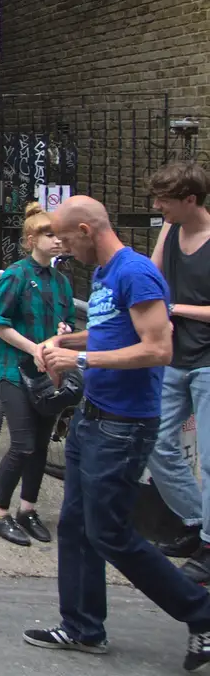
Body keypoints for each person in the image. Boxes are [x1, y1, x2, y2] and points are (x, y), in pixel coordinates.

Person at [23, 195, 210, 673]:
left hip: (125, 425)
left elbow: (158, 348)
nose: (62, 249)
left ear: (87, 230)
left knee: (110, 533)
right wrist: (65, 341)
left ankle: (201, 613)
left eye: (66, 239)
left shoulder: (136, 273)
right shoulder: (108, 274)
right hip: (95, 415)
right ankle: (83, 628)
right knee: (75, 526)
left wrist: (78, 359)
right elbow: (111, 332)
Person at [0, 202, 75, 546]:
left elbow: (65, 323)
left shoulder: (62, 282)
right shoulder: (16, 275)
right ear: (30, 239)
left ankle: (28, 509)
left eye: (59, 235)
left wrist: (62, 333)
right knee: (22, 445)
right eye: (48, 235)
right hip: (14, 372)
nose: (56, 241)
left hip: (48, 374)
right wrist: (33, 348)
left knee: (38, 445)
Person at [146, 162, 210, 575]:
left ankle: (207, 546)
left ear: (191, 200)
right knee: (155, 442)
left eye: (165, 201)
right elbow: (154, 275)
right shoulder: (170, 229)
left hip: (207, 364)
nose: (157, 208)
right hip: (172, 357)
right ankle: (197, 521)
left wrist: (175, 309)